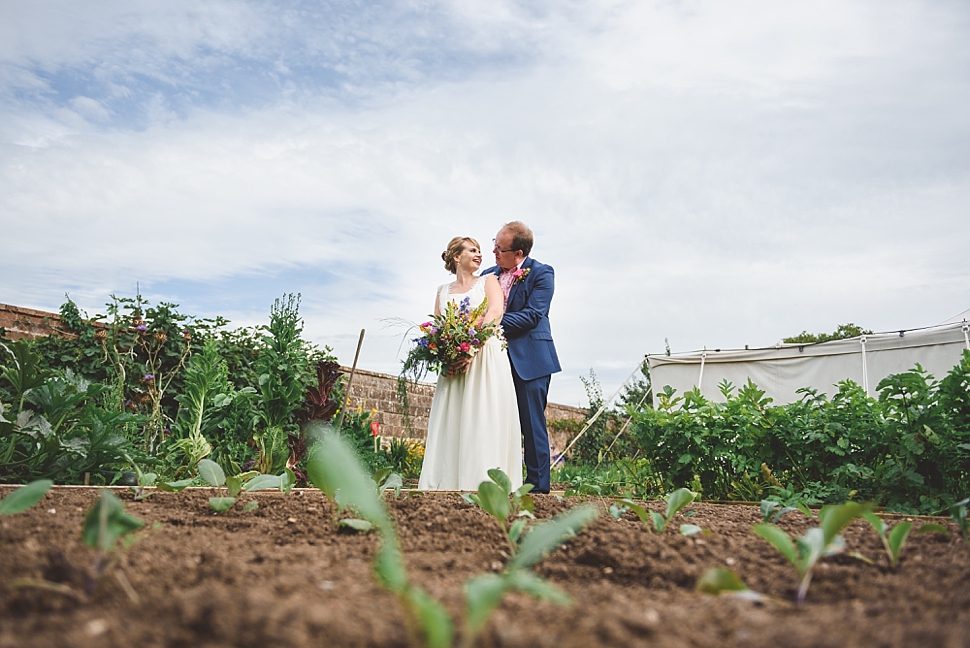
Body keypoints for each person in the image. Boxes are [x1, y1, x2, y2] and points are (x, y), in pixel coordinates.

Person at [417, 237, 523, 491]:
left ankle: (483, 482)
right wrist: (446, 354)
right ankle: (446, 481)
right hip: (455, 364)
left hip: (485, 357)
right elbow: (438, 326)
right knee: (452, 415)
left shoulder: (489, 281)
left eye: (480, 251)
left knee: (482, 414)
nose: (479, 255)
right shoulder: (442, 291)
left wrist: (472, 347)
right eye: (472, 250)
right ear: (456, 257)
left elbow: (496, 312)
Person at [482, 221, 560, 494]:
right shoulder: (488, 275)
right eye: (494, 244)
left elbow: (532, 316)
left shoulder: (542, 273)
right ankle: (501, 481)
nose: (493, 252)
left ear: (518, 253)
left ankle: (538, 487)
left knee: (531, 422)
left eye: (500, 249)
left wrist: (488, 323)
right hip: (494, 361)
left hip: (531, 359)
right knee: (495, 420)